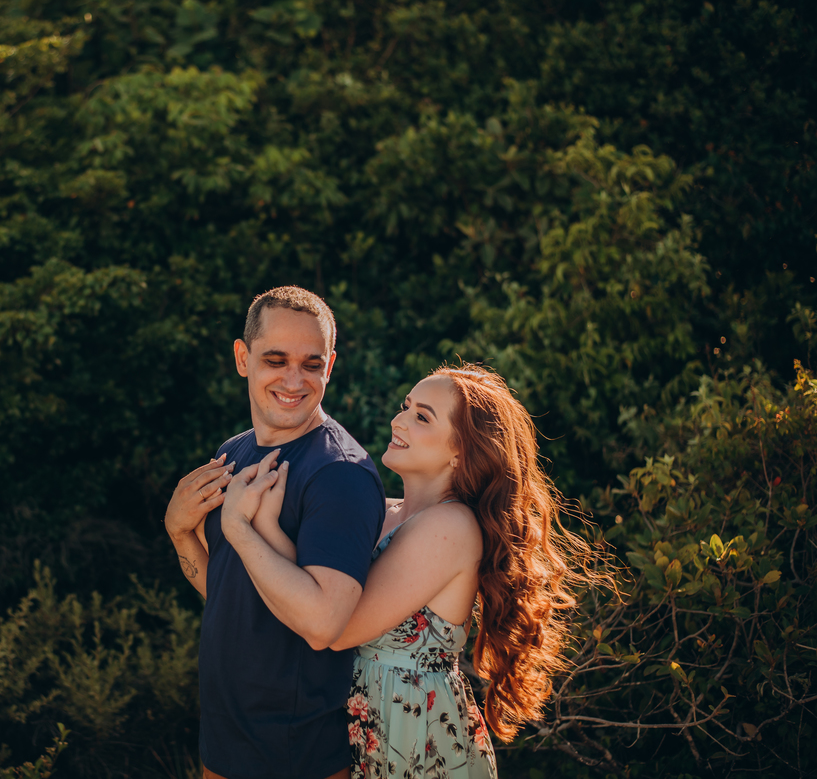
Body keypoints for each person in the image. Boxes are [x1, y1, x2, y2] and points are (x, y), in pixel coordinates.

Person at [224, 364, 594, 779]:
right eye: (406, 407)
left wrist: (245, 531)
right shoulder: (383, 512)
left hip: (419, 741)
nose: (398, 420)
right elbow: (312, 593)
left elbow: (333, 627)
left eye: (422, 417)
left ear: (461, 450)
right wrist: (267, 528)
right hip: (365, 736)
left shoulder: (450, 527)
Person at [164, 286, 386, 779]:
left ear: (330, 366)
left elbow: (325, 621)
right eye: (276, 359)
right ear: (243, 358)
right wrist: (180, 534)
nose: (293, 379)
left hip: (295, 751)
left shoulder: (339, 475)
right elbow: (231, 594)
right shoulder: (235, 453)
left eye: (311, 363)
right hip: (223, 741)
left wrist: (239, 530)